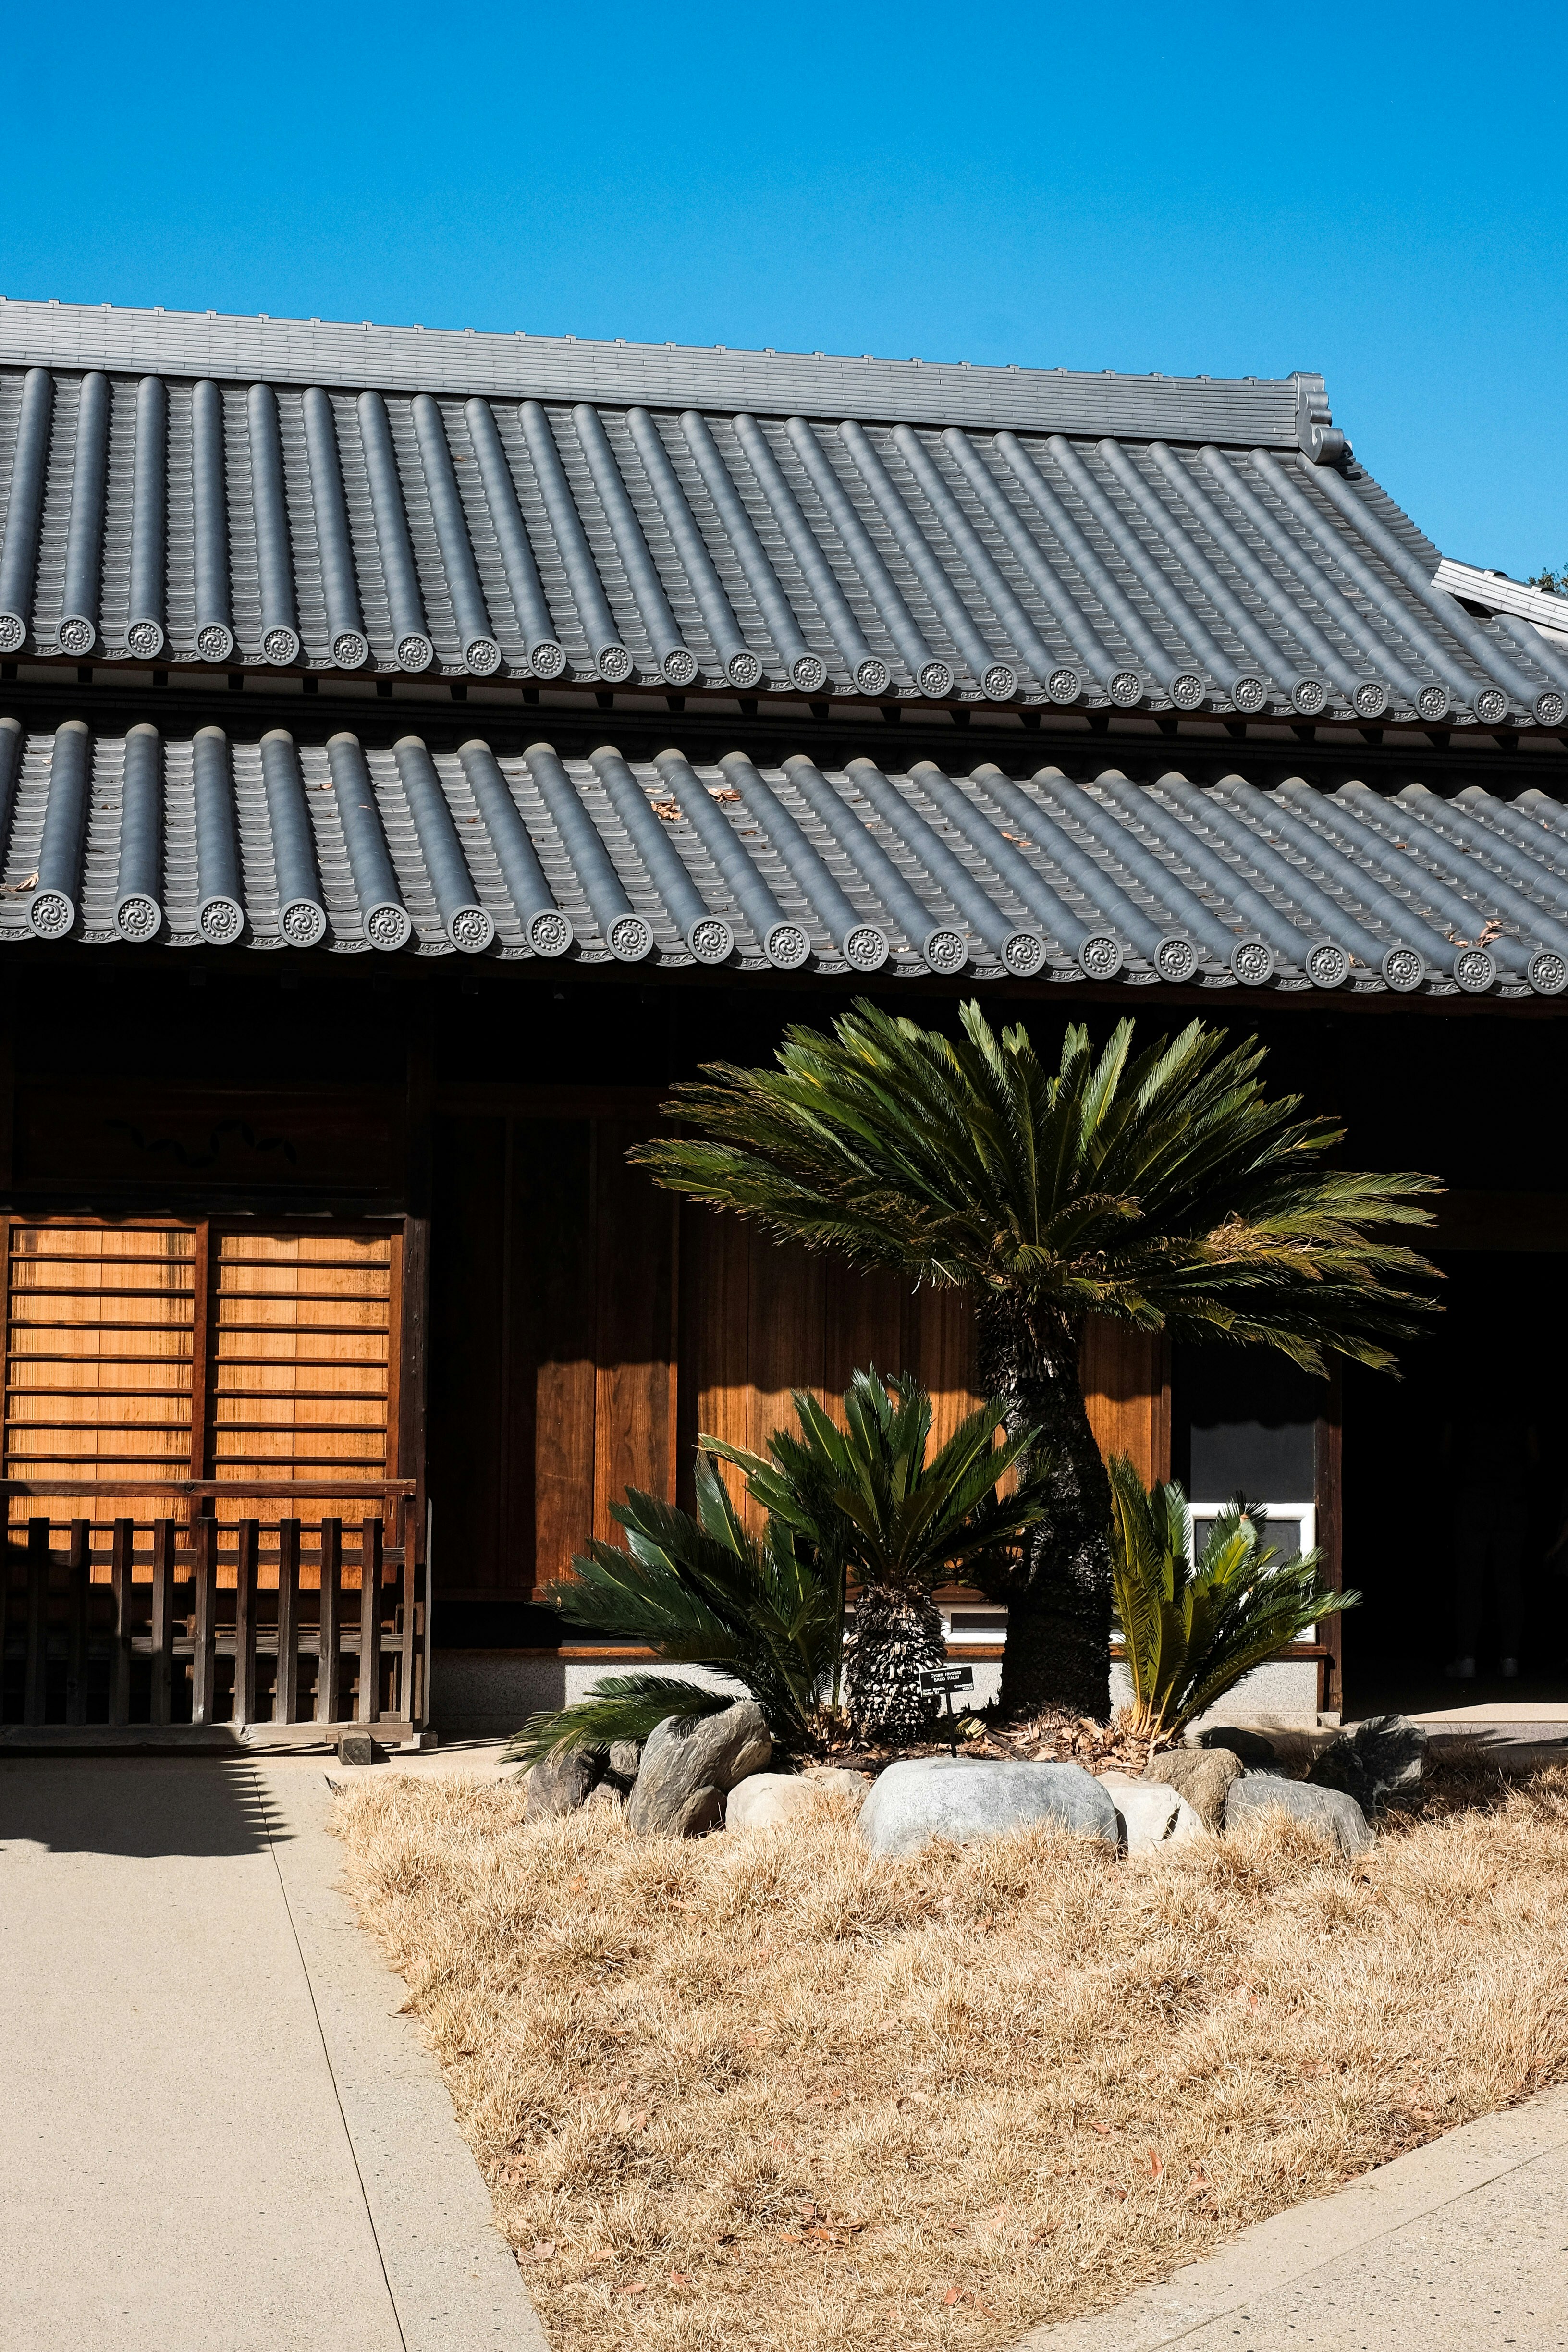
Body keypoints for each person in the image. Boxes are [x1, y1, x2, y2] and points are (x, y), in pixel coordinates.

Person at [1444, 1406, 1535, 1681]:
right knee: (1509, 1581)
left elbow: (1445, 1454)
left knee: (1470, 1582)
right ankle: (1510, 1658)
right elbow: (1535, 1456)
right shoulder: (1520, 1408)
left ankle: (1467, 1658)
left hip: (1473, 1499)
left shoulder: (1462, 1406)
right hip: (1511, 1501)